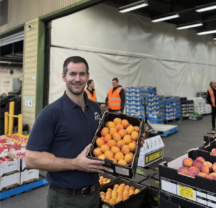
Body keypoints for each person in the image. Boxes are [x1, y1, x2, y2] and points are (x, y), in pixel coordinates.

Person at [25, 56, 145, 208]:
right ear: (64, 77)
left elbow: (104, 145)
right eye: (72, 74)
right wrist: (75, 164)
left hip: (95, 194)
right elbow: (31, 159)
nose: (77, 79)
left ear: (88, 77)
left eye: (82, 74)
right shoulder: (51, 113)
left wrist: (134, 144)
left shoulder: (95, 108)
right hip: (66, 199)